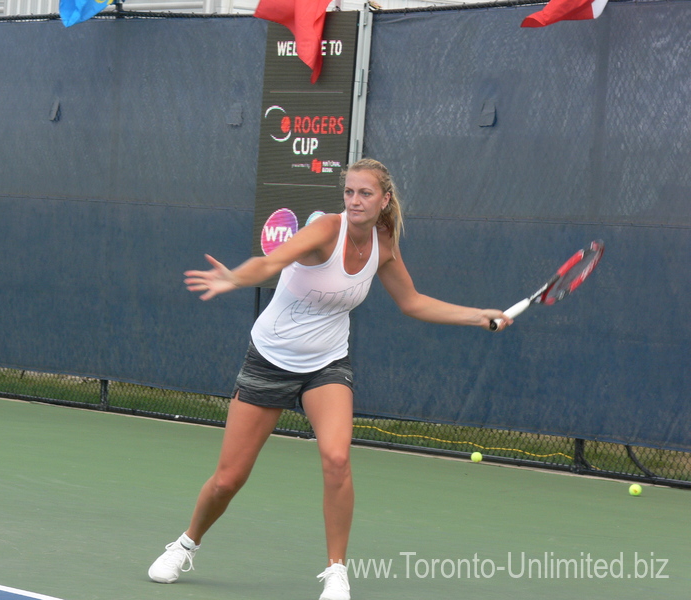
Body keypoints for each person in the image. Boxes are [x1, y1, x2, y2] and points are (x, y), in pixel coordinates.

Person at [148, 158, 512, 600]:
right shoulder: (325, 232)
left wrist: (478, 317)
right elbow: (272, 262)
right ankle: (187, 542)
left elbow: (412, 302)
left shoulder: (384, 243)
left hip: (327, 364)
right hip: (270, 359)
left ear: (385, 200)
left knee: (337, 459)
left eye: (365, 193)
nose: (355, 201)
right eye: (349, 192)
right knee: (229, 479)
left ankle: (336, 572)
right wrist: (234, 278)